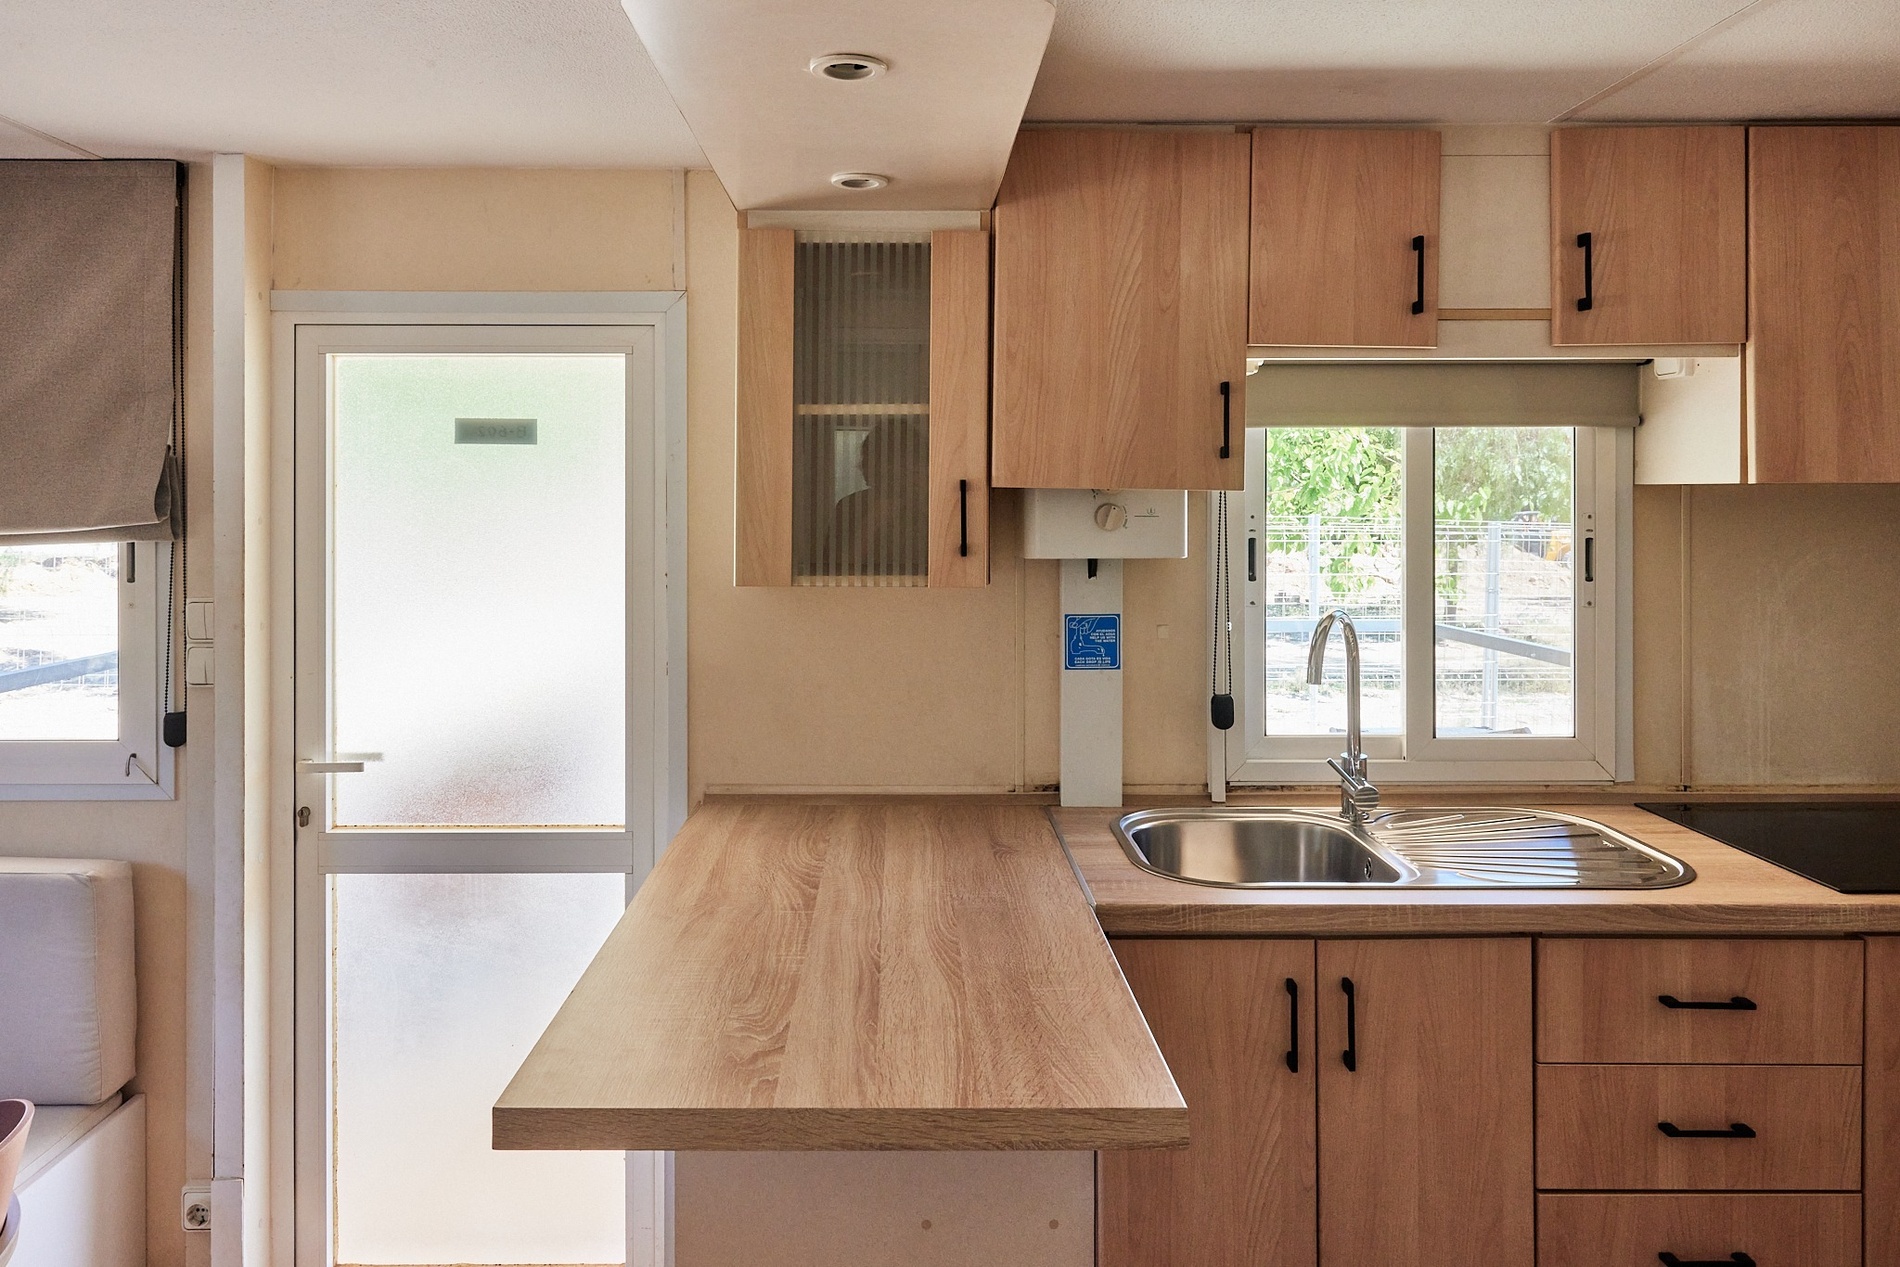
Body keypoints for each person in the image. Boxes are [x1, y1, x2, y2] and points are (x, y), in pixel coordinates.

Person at [826, 419, 927, 577]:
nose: (862, 467)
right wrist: (876, 517)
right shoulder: (850, 506)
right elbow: (834, 573)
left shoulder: (929, 506)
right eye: (865, 460)